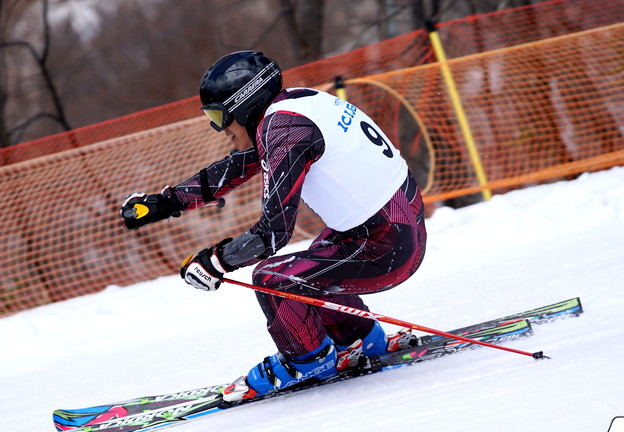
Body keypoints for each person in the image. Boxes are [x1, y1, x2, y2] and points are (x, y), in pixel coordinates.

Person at [121, 51, 427, 402]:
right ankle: (358, 337)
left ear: (244, 105)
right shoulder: (294, 106)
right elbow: (239, 166)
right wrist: (167, 202)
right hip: (393, 227)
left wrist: (216, 262)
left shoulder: (283, 129)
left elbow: (273, 232)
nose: (218, 128)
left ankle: (308, 360)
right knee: (311, 263)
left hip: (387, 245)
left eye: (219, 116)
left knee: (274, 279)